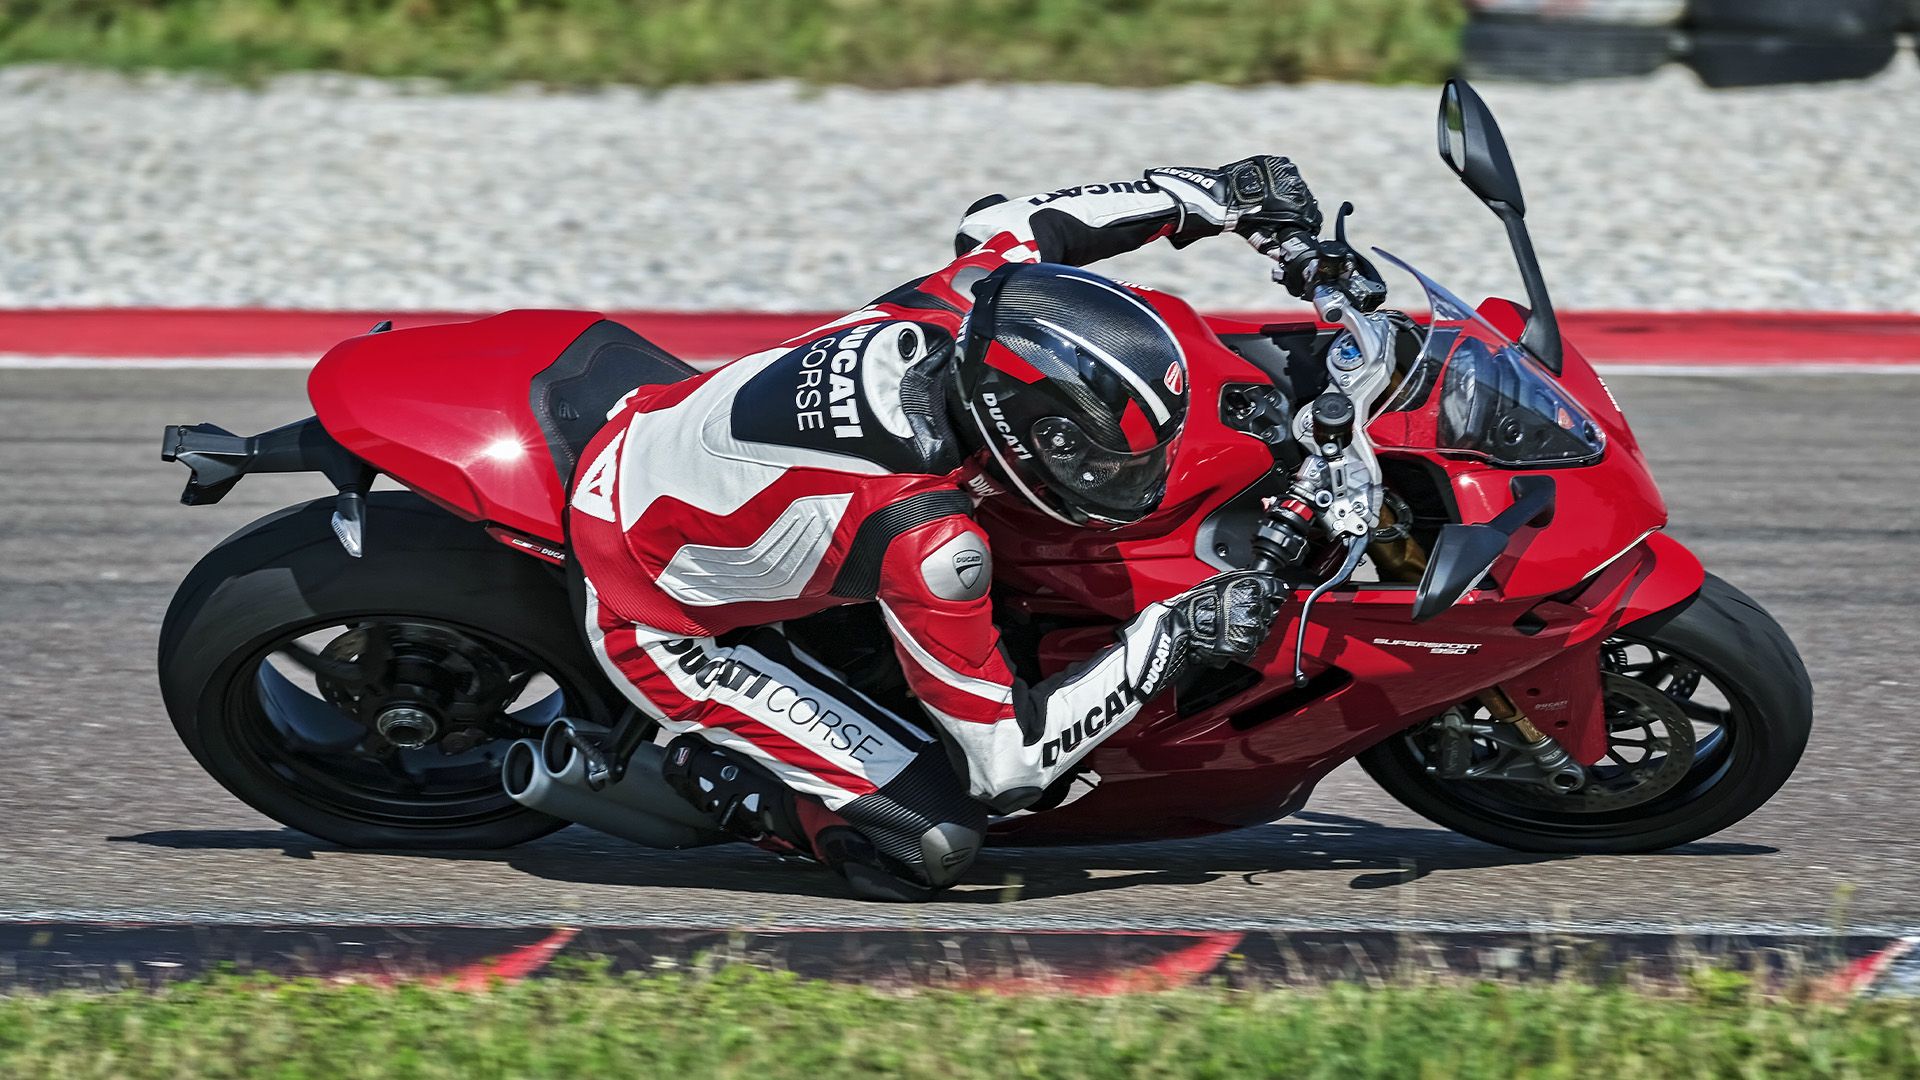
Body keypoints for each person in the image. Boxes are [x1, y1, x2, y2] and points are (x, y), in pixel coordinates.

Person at [567, 155, 1328, 900]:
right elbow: (1008, 766)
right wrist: (1175, 633)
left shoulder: (960, 306)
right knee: (932, 844)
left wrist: (1213, 197)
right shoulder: (929, 540)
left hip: (658, 434)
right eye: (1094, 464)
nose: (1122, 483)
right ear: (1017, 437)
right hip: (653, 613)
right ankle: (721, 780)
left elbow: (1019, 222)